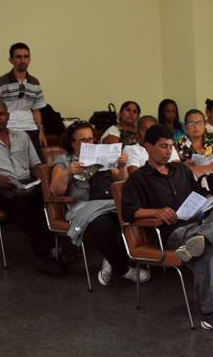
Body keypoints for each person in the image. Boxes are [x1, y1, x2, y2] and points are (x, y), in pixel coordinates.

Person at [121, 124, 213, 336]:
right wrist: (155, 211)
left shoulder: (181, 170)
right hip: (173, 232)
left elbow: (199, 193)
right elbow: (129, 212)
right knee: (204, 250)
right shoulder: (139, 178)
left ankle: (202, 239)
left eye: (170, 146)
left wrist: (212, 200)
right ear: (148, 147)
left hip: (199, 224)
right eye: (163, 146)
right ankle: (212, 314)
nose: (168, 151)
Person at [0, 101, 64, 275]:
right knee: (21, 208)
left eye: (1, 114)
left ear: (8, 116)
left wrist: (43, 180)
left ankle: (56, 249)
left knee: (48, 203)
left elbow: (36, 165)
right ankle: (45, 255)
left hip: (27, 184)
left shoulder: (22, 137)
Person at [50, 120, 148, 286]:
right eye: (83, 140)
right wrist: (67, 173)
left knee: (130, 214)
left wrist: (122, 167)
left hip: (108, 202)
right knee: (102, 224)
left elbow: (122, 183)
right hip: (82, 207)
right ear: (72, 142)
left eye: (90, 139)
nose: (88, 143)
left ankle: (112, 259)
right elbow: (54, 191)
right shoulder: (64, 161)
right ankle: (122, 268)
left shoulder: (102, 156)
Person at [0, 42, 47, 157]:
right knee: (13, 166)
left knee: (38, 165)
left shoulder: (35, 83)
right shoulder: (1, 82)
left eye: (26, 57)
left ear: (29, 59)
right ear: (11, 60)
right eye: (18, 57)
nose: (22, 60)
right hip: (9, 129)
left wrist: (41, 131)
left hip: (30, 128)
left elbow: (36, 110)